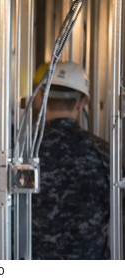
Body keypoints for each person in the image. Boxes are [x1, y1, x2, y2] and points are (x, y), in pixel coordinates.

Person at [31, 61, 110, 259]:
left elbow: (0, 213)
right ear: (82, 102)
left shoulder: (22, 150)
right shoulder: (103, 152)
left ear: (40, 97)